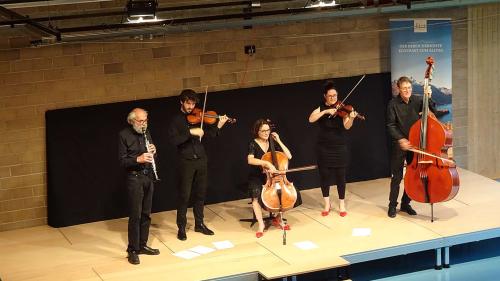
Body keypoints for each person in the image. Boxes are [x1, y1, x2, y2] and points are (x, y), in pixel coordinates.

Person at [168, 89, 229, 241]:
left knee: (200, 193)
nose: (191, 106)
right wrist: (191, 133)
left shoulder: (199, 117)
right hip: (186, 161)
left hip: (201, 159)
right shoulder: (176, 120)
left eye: (193, 103)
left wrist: (219, 125)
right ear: (181, 102)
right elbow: (174, 141)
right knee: (184, 195)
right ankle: (181, 227)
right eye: (188, 103)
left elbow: (211, 134)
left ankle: (199, 224)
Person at [386, 76, 436, 218]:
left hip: (415, 144)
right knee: (397, 177)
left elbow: (434, 109)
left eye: (409, 88)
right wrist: (401, 139)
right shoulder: (392, 104)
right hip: (399, 145)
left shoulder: (418, 100)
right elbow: (390, 125)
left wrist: (429, 97)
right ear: (399, 89)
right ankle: (392, 205)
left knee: (413, 175)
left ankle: (405, 203)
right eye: (404, 88)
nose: (407, 90)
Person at [308, 81, 358, 217]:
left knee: (340, 177)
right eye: (330, 96)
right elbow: (311, 119)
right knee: (324, 176)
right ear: (325, 96)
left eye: (335, 95)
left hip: (339, 147)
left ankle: (341, 204)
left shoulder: (342, 109)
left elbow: (347, 126)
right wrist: (325, 111)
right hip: (323, 148)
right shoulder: (321, 107)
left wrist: (351, 118)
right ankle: (327, 204)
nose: (333, 98)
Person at [118, 108, 160, 265]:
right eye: (140, 121)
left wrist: (154, 152)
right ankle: (132, 250)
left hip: (148, 176)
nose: (144, 124)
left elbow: (151, 154)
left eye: (146, 121)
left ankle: (142, 245)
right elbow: (122, 161)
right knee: (135, 216)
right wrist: (138, 159)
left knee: (146, 214)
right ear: (132, 121)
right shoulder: (124, 135)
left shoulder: (146, 132)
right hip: (134, 178)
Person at [247, 119, 293, 238]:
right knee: (255, 196)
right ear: (257, 131)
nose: (266, 133)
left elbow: (288, 156)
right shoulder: (253, 143)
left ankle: (278, 219)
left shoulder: (273, 142)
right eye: (263, 131)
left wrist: (279, 140)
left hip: (274, 178)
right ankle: (261, 224)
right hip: (257, 176)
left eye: (268, 130)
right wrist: (266, 163)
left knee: (286, 195)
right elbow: (250, 160)